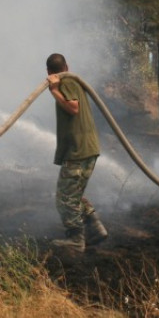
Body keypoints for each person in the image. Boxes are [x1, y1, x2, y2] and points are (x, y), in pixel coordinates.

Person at [45, 53, 109, 253]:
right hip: (85, 149)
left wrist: (54, 90)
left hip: (79, 151)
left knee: (64, 199)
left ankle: (76, 239)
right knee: (74, 195)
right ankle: (96, 229)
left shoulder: (67, 82)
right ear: (67, 65)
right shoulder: (72, 80)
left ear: (48, 72)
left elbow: (73, 107)